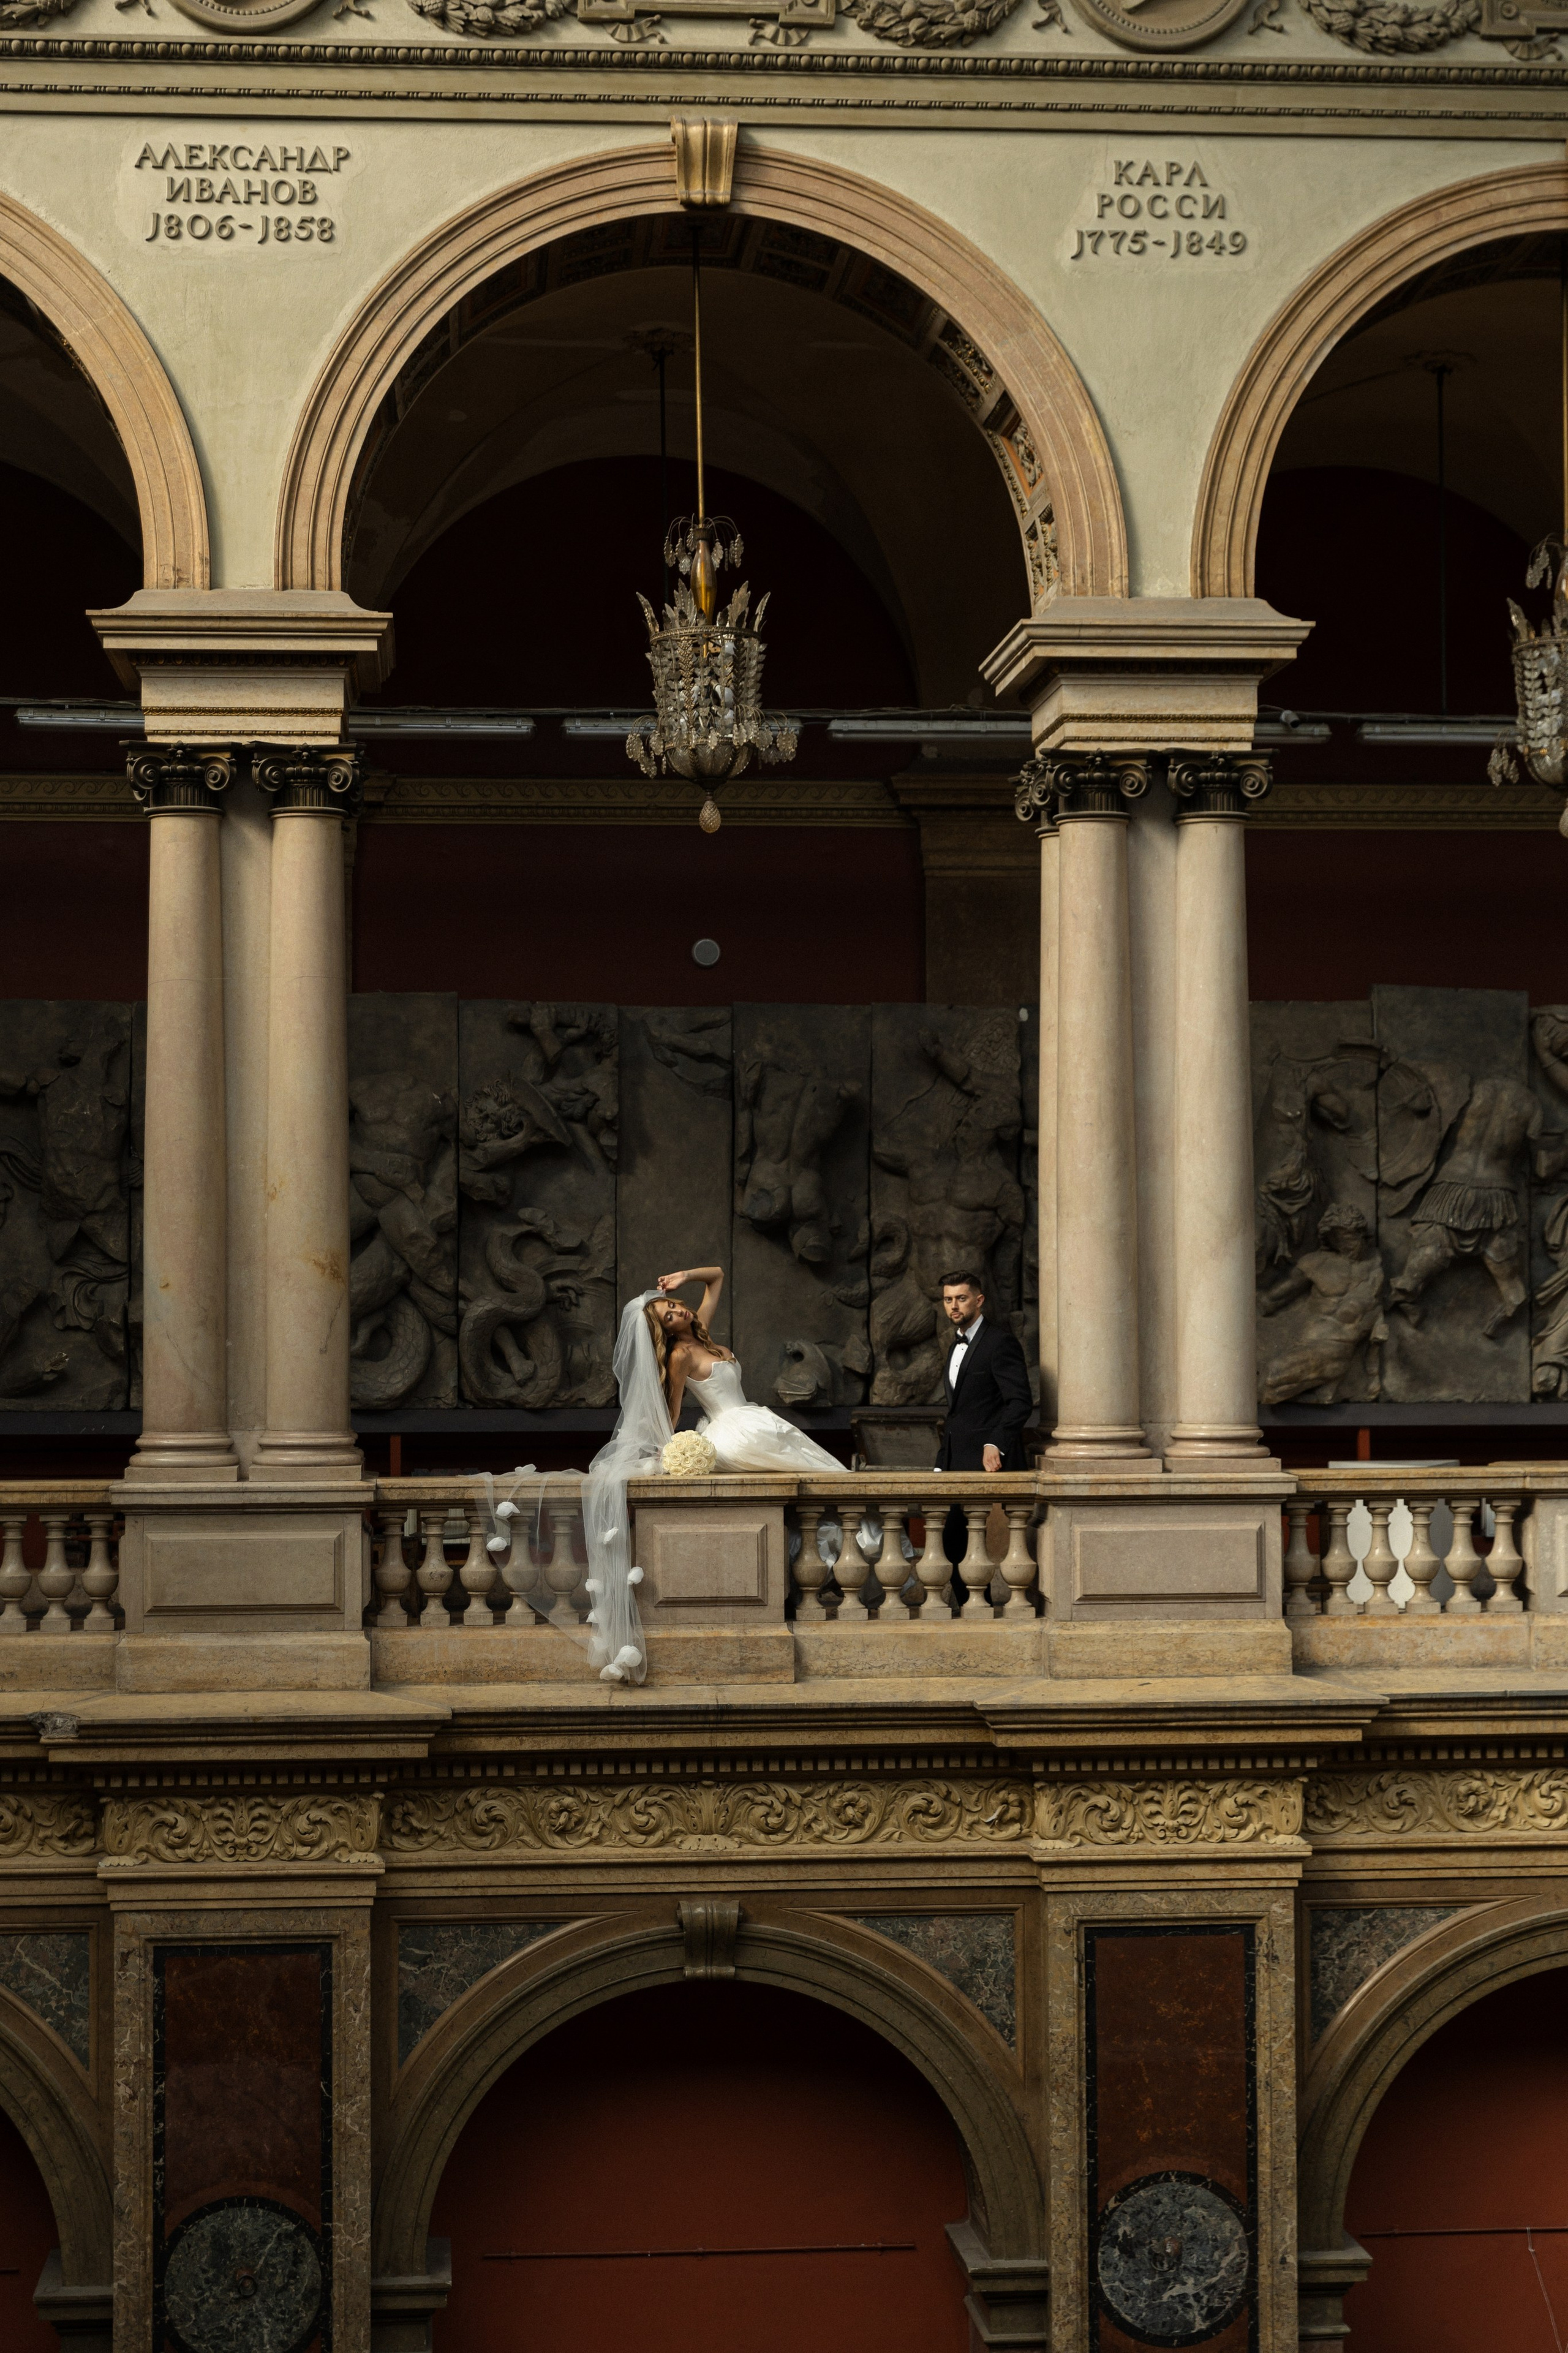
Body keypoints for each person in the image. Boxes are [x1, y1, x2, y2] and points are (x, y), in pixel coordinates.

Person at [646, 1267, 846, 1473]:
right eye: (670, 1317)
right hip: (734, 1437)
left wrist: (683, 1277)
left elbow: (717, 1276)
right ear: (667, 1332)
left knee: (820, 1466)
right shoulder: (681, 1356)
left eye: (672, 1305)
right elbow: (673, 1410)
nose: (678, 1311)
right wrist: (666, 1453)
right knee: (813, 1469)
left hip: (754, 1422)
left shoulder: (701, 1332)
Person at [932, 1269, 1033, 1591]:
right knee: (952, 1543)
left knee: (970, 1543)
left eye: (961, 1298)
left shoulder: (1000, 1342)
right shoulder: (954, 1346)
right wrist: (941, 1459)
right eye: (948, 1300)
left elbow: (1019, 1402)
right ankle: (973, 1608)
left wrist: (996, 1443)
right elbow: (958, 1413)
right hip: (955, 1461)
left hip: (985, 1462)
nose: (954, 1306)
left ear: (979, 1300)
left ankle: (978, 1609)